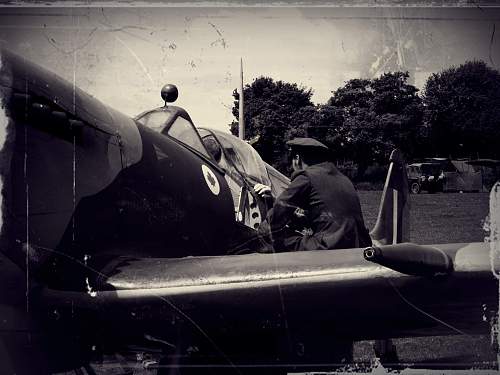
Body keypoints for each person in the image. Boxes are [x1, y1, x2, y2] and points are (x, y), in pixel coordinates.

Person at [255, 137, 371, 252]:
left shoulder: (306, 176)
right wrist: (273, 200)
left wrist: (260, 232)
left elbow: (277, 217)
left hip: (330, 246)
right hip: (359, 243)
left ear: (297, 158)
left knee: (267, 237)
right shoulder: (342, 178)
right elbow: (321, 218)